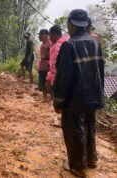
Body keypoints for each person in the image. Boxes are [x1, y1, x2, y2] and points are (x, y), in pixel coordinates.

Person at [53, 9, 105, 178]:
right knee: (89, 127)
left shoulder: (69, 45)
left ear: (71, 24)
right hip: (94, 95)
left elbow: (63, 77)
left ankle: (78, 166)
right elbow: (100, 71)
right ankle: (91, 159)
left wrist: (58, 101)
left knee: (74, 131)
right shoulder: (95, 43)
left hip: (75, 99)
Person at [38, 29, 51, 99]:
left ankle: (51, 97)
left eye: (40, 35)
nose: (39, 36)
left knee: (48, 81)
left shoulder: (49, 43)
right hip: (43, 65)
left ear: (45, 35)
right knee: (42, 81)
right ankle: (44, 96)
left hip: (47, 66)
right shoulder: (43, 44)